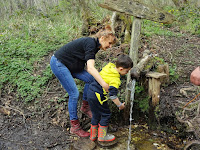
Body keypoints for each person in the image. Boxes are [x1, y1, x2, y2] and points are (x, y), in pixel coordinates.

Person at [50, 25, 117, 137]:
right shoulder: (90, 43)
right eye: (109, 43)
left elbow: (86, 63)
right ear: (102, 38)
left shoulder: (95, 46)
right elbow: (90, 68)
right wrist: (103, 83)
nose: (110, 46)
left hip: (71, 65)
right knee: (74, 93)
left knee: (90, 80)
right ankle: (75, 127)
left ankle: (85, 107)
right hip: (59, 63)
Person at [87, 54, 133, 142]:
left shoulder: (109, 66)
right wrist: (120, 105)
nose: (127, 73)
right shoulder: (115, 79)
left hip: (90, 92)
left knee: (95, 114)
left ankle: (93, 136)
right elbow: (112, 95)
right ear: (121, 69)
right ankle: (102, 136)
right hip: (98, 96)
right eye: (127, 71)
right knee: (106, 114)